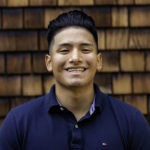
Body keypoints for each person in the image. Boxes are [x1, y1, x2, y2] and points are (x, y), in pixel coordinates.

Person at [0, 10, 150, 150]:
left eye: (85, 50)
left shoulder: (131, 122)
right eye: (64, 50)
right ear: (49, 62)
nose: (75, 58)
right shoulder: (18, 124)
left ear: (99, 61)